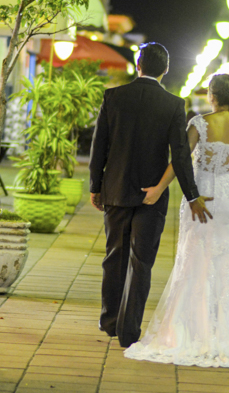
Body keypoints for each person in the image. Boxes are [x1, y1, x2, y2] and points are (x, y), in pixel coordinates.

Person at [124, 73, 229, 369]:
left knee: (195, 260)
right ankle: (228, 335)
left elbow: (179, 160)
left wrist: (158, 189)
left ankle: (192, 331)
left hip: (201, 195)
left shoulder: (199, 124)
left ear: (212, 95)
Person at [90, 42, 212, 348]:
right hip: (152, 196)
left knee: (114, 256)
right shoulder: (173, 104)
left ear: (137, 64)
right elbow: (181, 155)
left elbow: (99, 146)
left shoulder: (113, 96)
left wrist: (95, 186)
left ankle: (110, 320)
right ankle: (129, 330)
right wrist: (192, 194)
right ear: (166, 69)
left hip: (115, 190)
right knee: (141, 262)